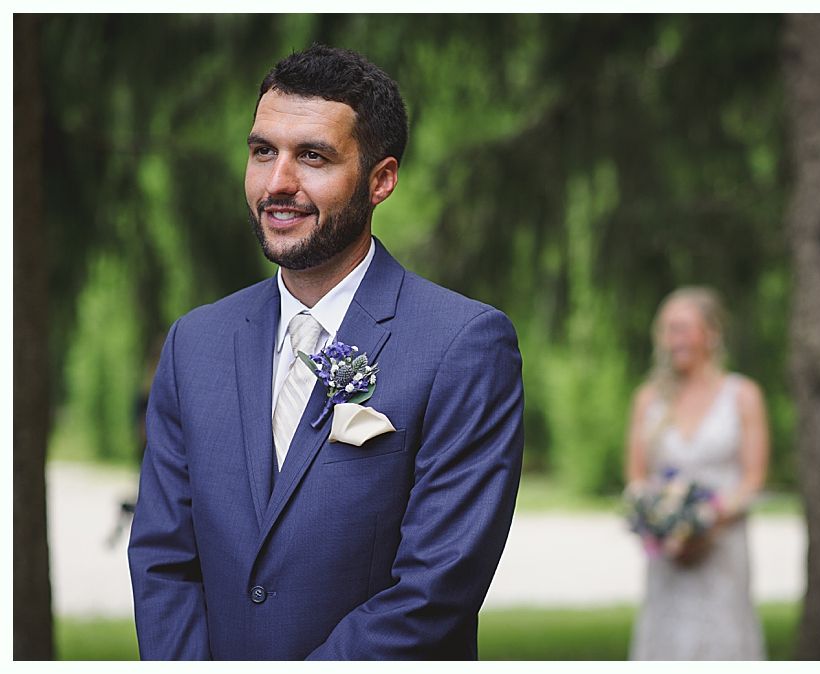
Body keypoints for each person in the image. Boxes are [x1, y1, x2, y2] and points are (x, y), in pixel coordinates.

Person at [127, 45, 524, 660]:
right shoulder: (195, 343)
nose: (277, 183)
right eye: (264, 152)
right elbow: (163, 561)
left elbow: (434, 589)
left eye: (313, 156)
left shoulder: (463, 344)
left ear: (380, 180)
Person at [625, 287, 769, 660]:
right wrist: (662, 522)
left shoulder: (743, 395)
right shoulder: (648, 399)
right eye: (667, 330)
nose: (673, 339)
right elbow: (636, 476)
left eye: (682, 328)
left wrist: (708, 519)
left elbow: (753, 477)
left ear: (711, 333)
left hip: (723, 547)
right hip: (668, 556)